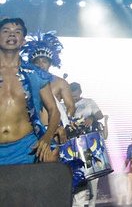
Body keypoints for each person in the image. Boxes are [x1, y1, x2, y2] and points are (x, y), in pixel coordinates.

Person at [0, 17, 60, 165]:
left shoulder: (36, 74)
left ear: (23, 41)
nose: (11, 34)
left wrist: (47, 138)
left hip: (25, 149)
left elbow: (54, 110)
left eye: (17, 32)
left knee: (52, 158)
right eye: (6, 31)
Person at [22, 30, 76, 142]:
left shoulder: (61, 82)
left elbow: (71, 106)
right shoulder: (25, 82)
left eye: (44, 61)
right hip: (31, 131)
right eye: (37, 62)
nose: (40, 65)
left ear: (50, 63)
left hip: (54, 131)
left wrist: (64, 125)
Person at [70, 81, 107, 207]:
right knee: (77, 175)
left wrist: (92, 118)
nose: (74, 98)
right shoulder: (65, 104)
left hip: (88, 142)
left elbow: (100, 115)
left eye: (76, 95)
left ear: (80, 92)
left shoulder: (89, 102)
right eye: (72, 95)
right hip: (73, 144)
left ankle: (92, 204)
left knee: (93, 176)